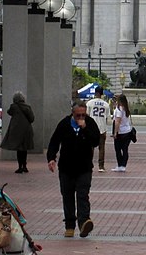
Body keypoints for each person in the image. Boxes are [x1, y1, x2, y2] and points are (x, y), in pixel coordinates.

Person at [46, 100, 99, 238]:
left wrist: (85, 128)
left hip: (84, 168)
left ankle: (84, 223)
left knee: (83, 195)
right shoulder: (64, 124)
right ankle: (69, 225)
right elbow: (54, 142)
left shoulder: (90, 123)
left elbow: (96, 141)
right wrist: (51, 158)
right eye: (78, 115)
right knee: (67, 196)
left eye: (83, 115)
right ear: (72, 113)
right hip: (66, 168)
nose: (81, 118)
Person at [0, 91, 35, 173]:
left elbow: (9, 112)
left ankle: (20, 167)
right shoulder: (27, 107)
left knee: (19, 150)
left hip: (17, 130)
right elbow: (32, 118)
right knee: (24, 149)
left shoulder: (14, 107)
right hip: (26, 130)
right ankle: (25, 166)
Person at [87, 86, 111, 173]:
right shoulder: (106, 104)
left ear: (95, 93)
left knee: (90, 147)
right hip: (102, 128)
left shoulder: (89, 103)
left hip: (91, 129)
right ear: (102, 94)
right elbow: (108, 119)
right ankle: (101, 166)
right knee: (102, 148)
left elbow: (86, 116)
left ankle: (89, 164)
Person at [111, 94, 133, 172]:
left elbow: (117, 122)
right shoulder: (126, 109)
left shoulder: (119, 110)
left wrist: (115, 133)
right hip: (128, 131)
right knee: (125, 149)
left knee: (118, 149)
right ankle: (123, 165)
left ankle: (120, 165)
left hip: (121, 132)